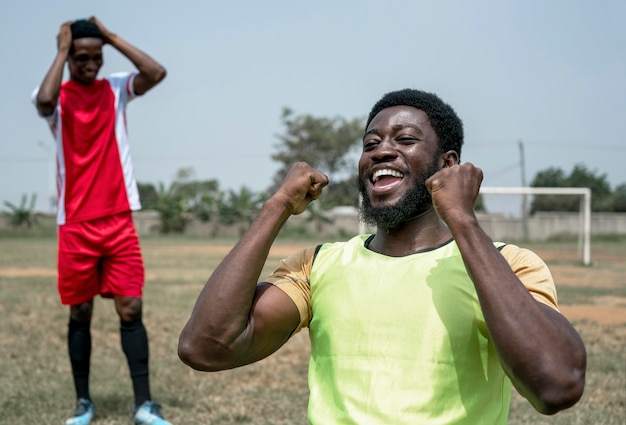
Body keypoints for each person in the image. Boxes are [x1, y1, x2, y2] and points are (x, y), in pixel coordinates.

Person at [178, 88, 587, 424]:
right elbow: (206, 347)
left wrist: (462, 220)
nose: (381, 151)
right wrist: (277, 206)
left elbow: (556, 386)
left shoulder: (507, 264)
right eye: (370, 144)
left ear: (448, 165)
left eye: (405, 140)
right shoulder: (317, 264)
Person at [32, 18, 171, 425]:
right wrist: (61, 51)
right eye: (81, 58)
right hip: (75, 224)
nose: (90, 64)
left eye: (96, 57)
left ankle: (144, 404)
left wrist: (110, 36)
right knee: (80, 314)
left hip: (118, 220)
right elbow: (41, 103)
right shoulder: (57, 97)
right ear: (69, 56)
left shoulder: (115, 89)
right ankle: (83, 403)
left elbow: (156, 73)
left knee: (131, 308)